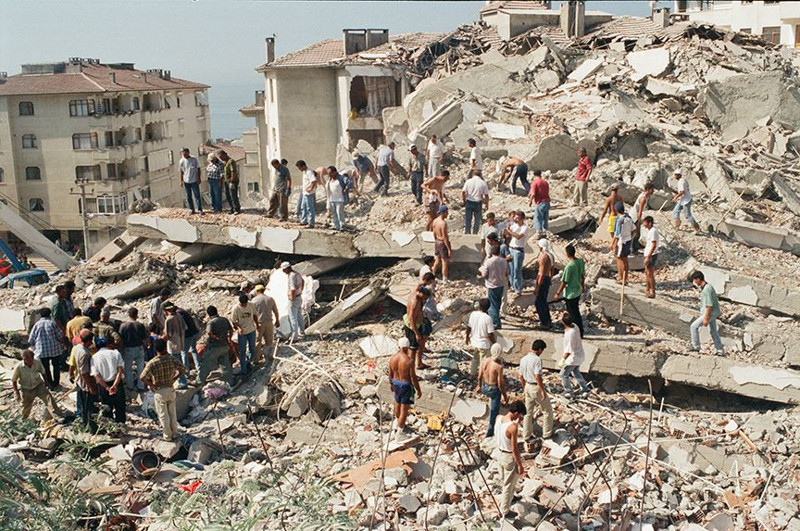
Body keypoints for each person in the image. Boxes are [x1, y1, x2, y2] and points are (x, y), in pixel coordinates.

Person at [140, 338, 187, 441]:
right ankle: (175, 433)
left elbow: (142, 377)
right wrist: (175, 378)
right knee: (172, 413)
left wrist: (151, 385)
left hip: (159, 390)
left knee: (163, 415)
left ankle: (167, 436)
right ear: (165, 347)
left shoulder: (152, 363)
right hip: (170, 389)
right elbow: (183, 369)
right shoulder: (172, 359)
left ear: (155, 349)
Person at [494, 401, 527, 519]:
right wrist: (520, 464)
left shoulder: (499, 418)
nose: (520, 418)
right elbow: (514, 448)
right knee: (508, 484)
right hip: (508, 457)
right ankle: (505, 511)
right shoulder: (512, 428)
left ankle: (510, 497)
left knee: (505, 480)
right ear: (517, 413)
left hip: (499, 453)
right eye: (520, 415)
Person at [519, 339, 554, 448]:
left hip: (527, 386)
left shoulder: (523, 359)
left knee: (527, 413)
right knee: (547, 410)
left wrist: (524, 386)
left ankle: (526, 435)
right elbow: (537, 375)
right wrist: (542, 390)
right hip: (535, 386)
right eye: (542, 350)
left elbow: (520, 375)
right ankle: (547, 434)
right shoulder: (537, 360)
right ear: (539, 349)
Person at [12, 349, 63, 421]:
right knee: (26, 406)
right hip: (27, 389)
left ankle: (58, 417)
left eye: (31, 359)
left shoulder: (37, 362)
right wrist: (16, 391)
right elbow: (14, 380)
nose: (31, 361)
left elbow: (43, 372)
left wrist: (46, 383)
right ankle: (23, 420)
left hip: (39, 385)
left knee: (48, 399)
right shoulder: (19, 367)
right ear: (24, 359)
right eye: (28, 360)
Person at [389, 337, 422, 437]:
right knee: (404, 410)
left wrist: (391, 384)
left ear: (399, 346)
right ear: (407, 347)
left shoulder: (393, 358)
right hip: (405, 385)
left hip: (395, 382)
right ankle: (399, 434)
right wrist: (418, 389)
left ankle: (397, 423)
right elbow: (413, 377)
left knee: (397, 403)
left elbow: (390, 373)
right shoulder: (408, 361)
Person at [91, 337, 126, 424]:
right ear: (107, 345)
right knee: (120, 407)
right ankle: (120, 427)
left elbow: (97, 376)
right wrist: (115, 385)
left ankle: (110, 428)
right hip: (117, 383)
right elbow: (120, 371)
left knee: (106, 408)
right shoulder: (116, 353)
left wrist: (107, 388)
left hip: (103, 385)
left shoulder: (94, 357)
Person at [476, 343, 507, 438]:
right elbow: (500, 384)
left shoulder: (485, 360)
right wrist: (505, 396)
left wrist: (479, 386)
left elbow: (480, 375)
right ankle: (490, 433)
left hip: (485, 387)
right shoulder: (499, 366)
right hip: (493, 389)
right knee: (494, 413)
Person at [690, 271, 725, 356]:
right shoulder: (707, 287)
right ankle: (720, 350)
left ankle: (696, 347)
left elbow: (709, 305)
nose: (695, 282)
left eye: (695, 280)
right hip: (712, 313)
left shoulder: (707, 289)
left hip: (710, 313)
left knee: (694, 326)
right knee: (713, 331)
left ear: (698, 279)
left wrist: (705, 318)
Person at [29, 307, 64, 390]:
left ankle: (49, 384)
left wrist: (34, 347)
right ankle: (56, 383)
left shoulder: (36, 325)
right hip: (54, 350)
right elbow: (60, 336)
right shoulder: (52, 323)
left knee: (45, 368)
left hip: (42, 351)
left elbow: (31, 339)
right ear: (50, 314)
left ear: (41, 315)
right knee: (56, 366)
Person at [554, 245, 585, 337]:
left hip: (570, 293)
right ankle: (580, 331)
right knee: (576, 312)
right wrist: (583, 287)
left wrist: (557, 293)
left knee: (572, 314)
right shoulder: (580, 262)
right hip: (577, 290)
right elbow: (582, 276)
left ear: (567, 254)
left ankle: (576, 332)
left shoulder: (569, 266)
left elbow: (564, 281)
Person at [199, 306, 234, 386]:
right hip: (225, 345)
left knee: (206, 364)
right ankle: (230, 382)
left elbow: (208, 332)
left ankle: (199, 381)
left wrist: (214, 337)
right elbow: (231, 330)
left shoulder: (211, 322)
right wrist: (229, 338)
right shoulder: (224, 319)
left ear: (209, 314)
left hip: (215, 347)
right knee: (226, 365)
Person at [559, 313, 590, 397]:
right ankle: (585, 388)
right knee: (576, 372)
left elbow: (569, 350)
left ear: (563, 322)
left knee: (563, 375)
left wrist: (562, 360)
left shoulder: (570, 334)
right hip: (579, 354)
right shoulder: (575, 326)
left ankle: (569, 391)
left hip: (572, 357)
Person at [479, 245, 509, 330]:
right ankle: (496, 319)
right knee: (498, 303)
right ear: (499, 251)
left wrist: (481, 272)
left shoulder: (488, 262)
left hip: (491, 285)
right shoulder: (504, 261)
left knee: (492, 305)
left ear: (491, 252)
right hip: (501, 285)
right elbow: (507, 273)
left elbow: (484, 274)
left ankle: (496, 323)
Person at [73, 330, 98, 432]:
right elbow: (84, 372)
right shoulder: (84, 353)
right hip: (85, 384)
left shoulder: (77, 348)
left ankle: (84, 425)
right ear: (88, 340)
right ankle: (92, 429)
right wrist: (91, 387)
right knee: (90, 408)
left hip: (80, 381)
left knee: (83, 407)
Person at [119, 307, 148, 391]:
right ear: (136, 315)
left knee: (128, 368)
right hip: (139, 348)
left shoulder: (123, 325)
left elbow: (121, 338)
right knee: (141, 368)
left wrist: (121, 349)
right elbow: (145, 337)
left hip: (128, 348)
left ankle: (130, 386)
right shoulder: (140, 325)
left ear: (129, 315)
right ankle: (141, 386)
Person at [466, 298, 496, 376]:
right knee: (484, 361)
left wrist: (467, 337)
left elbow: (469, 327)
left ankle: (472, 374)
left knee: (475, 358)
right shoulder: (488, 318)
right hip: (484, 344)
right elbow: (490, 334)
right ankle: (483, 377)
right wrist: (494, 342)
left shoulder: (473, 314)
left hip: (475, 341)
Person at [404, 286, 431, 370]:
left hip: (419, 324)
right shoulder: (414, 302)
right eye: (425, 297)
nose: (425, 300)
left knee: (420, 344)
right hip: (413, 327)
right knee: (413, 349)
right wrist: (416, 333)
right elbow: (411, 318)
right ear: (421, 293)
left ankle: (419, 363)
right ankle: (411, 372)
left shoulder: (417, 294)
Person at [231, 293, 259, 376]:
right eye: (242, 304)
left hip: (251, 330)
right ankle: (244, 370)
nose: (244, 305)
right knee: (242, 351)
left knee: (252, 348)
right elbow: (233, 321)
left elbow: (254, 315)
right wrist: (238, 328)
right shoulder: (236, 308)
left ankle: (249, 363)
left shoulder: (251, 305)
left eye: (245, 304)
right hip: (242, 333)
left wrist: (257, 325)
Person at [161, 302, 188, 387]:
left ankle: (182, 382)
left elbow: (167, 334)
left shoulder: (169, 319)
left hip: (173, 345)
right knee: (179, 363)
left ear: (165, 310)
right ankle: (183, 380)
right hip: (181, 343)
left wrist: (160, 340)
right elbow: (185, 328)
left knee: (176, 365)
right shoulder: (179, 316)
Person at [252, 284, 280, 357]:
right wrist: (277, 320)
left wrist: (255, 325)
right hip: (269, 322)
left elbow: (252, 314)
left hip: (259, 323)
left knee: (257, 342)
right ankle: (268, 357)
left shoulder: (254, 301)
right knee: (269, 341)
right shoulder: (270, 299)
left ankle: (256, 359)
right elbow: (275, 311)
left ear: (257, 291)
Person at [505, 211, 529, 295]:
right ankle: (513, 286)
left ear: (522, 219)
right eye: (515, 217)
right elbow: (508, 234)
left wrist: (509, 231)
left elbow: (518, 236)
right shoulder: (513, 226)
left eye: (517, 218)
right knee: (511, 269)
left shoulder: (525, 228)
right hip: (511, 248)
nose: (515, 219)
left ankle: (518, 288)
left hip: (518, 250)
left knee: (517, 269)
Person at [611, 202, 634, 284]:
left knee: (620, 259)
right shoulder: (629, 217)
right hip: (628, 240)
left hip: (621, 241)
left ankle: (621, 278)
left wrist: (613, 244)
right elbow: (633, 229)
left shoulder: (620, 220)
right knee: (625, 259)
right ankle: (625, 277)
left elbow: (617, 234)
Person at [462, 170, 490, 234]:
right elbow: (486, 195)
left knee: (468, 219)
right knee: (477, 219)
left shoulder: (468, 181)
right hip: (478, 203)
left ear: (472, 174)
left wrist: (464, 200)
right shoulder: (483, 183)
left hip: (469, 201)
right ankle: (475, 232)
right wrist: (487, 204)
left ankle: (467, 232)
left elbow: (463, 192)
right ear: (480, 175)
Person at [176, 306, 201, 379]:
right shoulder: (182, 311)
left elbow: (183, 328)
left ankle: (186, 373)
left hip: (187, 335)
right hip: (194, 332)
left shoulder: (178, 314)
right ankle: (199, 369)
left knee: (184, 353)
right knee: (193, 350)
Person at [535, 239, 554, 329]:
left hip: (542, 279)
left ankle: (544, 322)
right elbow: (552, 269)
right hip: (546, 279)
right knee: (543, 301)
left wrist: (537, 287)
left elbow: (541, 273)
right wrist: (550, 278)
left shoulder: (544, 257)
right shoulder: (551, 255)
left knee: (539, 302)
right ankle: (548, 321)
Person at [283, 262, 305, 340]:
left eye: (284, 270)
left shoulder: (291, 276)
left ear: (287, 268)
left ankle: (294, 337)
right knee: (299, 316)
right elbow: (303, 281)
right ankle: (302, 332)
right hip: (299, 297)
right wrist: (301, 290)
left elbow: (292, 289)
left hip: (294, 299)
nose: (283, 271)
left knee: (292, 318)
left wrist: (292, 298)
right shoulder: (297, 274)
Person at [179, 147, 203, 214]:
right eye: (183, 154)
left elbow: (198, 169)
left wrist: (199, 178)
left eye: (185, 153)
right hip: (186, 180)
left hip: (194, 180)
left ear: (188, 153)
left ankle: (199, 209)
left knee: (197, 195)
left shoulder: (194, 159)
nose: (184, 155)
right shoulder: (181, 161)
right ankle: (191, 209)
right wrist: (181, 181)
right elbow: (181, 171)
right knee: (188, 196)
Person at [432, 205, 452, 284]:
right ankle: (445, 279)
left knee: (437, 260)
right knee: (444, 262)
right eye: (446, 212)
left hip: (437, 241)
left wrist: (436, 241)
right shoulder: (443, 223)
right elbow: (445, 237)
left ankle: (432, 274)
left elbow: (433, 233)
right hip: (442, 243)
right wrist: (449, 249)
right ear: (443, 213)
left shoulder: (435, 221)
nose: (447, 214)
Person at [632, 183, 654, 252]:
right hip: (635, 217)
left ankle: (635, 247)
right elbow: (639, 211)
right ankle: (634, 248)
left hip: (636, 216)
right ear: (648, 189)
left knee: (636, 233)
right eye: (652, 189)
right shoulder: (643, 198)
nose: (653, 191)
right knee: (636, 233)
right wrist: (638, 222)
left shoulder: (644, 196)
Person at [325, 165, 348, 231]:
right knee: (334, 213)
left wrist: (345, 189)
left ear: (335, 172)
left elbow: (349, 182)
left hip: (339, 199)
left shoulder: (341, 178)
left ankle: (342, 226)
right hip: (332, 199)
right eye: (328, 174)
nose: (329, 175)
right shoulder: (329, 180)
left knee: (339, 213)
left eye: (330, 173)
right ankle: (336, 225)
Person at [296, 160, 317, 228]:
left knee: (310, 208)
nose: (299, 170)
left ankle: (311, 223)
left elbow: (313, 181)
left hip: (309, 194)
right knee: (303, 207)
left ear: (303, 166)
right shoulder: (304, 172)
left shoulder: (309, 172)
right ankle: (304, 221)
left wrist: (310, 189)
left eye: (300, 168)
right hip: (305, 193)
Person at [642, 216, 660, 298]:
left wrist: (648, 257)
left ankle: (653, 291)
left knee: (650, 274)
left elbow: (653, 245)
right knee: (647, 273)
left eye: (645, 222)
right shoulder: (650, 231)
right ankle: (647, 288)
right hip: (648, 254)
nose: (643, 224)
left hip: (651, 255)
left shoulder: (653, 231)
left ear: (649, 223)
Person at [218, 149, 241, 214]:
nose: (221, 159)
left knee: (233, 195)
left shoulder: (231, 161)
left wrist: (232, 181)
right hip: (226, 181)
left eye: (221, 157)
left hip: (232, 181)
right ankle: (232, 208)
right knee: (227, 195)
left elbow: (233, 172)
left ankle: (237, 209)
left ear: (225, 155)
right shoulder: (225, 162)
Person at [528, 170, 550, 234]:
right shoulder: (545, 182)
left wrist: (530, 202)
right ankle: (545, 231)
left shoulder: (535, 183)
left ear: (534, 175)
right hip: (547, 202)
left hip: (540, 202)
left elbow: (533, 194)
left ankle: (539, 232)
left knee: (538, 218)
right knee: (545, 218)